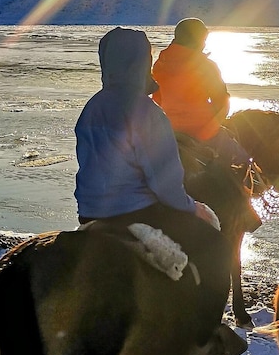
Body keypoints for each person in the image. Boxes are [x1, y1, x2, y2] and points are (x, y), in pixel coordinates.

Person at [74, 27, 228, 291]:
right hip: (135, 212)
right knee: (214, 243)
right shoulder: (146, 112)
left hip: (89, 212)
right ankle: (204, 320)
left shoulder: (92, 107)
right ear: (141, 62)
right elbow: (165, 185)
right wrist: (194, 208)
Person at [151, 18, 248, 164]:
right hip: (202, 130)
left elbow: (157, 98)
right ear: (197, 39)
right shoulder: (206, 66)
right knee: (243, 161)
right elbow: (222, 101)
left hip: (168, 131)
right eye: (203, 39)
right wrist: (215, 123)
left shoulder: (159, 64)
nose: (204, 44)